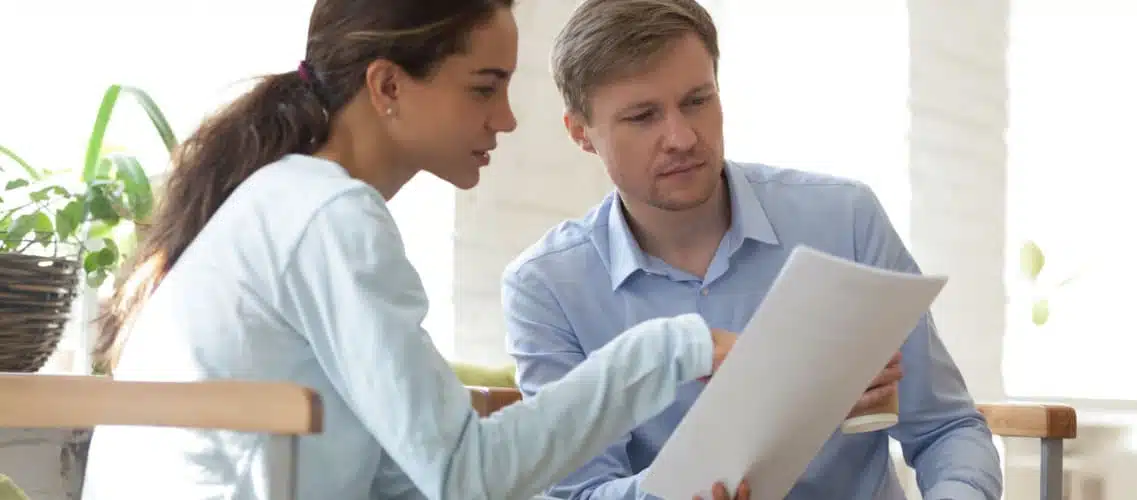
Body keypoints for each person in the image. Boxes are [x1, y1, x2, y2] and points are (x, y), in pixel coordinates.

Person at [78, 1, 749, 499]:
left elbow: (415, 479)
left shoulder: (292, 199)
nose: (506, 118)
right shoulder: (327, 215)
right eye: (484, 87)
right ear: (388, 87)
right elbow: (464, 475)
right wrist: (675, 349)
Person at [502, 0, 1004, 499]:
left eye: (697, 100)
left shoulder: (844, 219)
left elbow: (947, 429)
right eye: (642, 116)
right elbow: (582, 492)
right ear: (581, 133)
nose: (681, 137)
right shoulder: (547, 288)